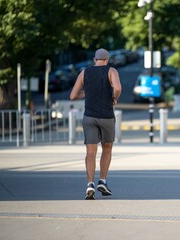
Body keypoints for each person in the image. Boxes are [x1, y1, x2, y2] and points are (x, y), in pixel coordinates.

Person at [70, 48, 122, 200]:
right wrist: (114, 98)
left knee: (90, 153)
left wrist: (88, 92)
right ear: (107, 60)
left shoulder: (84, 73)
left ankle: (90, 184)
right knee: (107, 148)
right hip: (106, 116)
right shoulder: (111, 71)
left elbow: (73, 96)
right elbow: (118, 88)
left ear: (94, 60)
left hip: (89, 117)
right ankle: (103, 181)